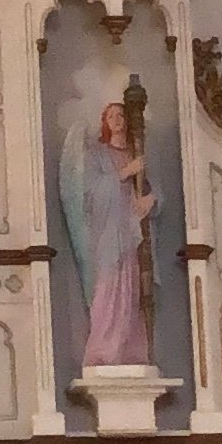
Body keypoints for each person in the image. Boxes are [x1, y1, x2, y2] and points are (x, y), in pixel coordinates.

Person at [57, 95, 156, 374]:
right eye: (110, 115)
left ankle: (130, 349)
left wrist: (150, 199)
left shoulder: (137, 152)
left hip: (130, 232)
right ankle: (104, 348)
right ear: (105, 122)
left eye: (120, 115)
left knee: (132, 289)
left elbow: (151, 190)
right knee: (108, 287)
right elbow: (91, 194)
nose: (116, 119)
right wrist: (125, 172)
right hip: (107, 234)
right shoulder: (97, 154)